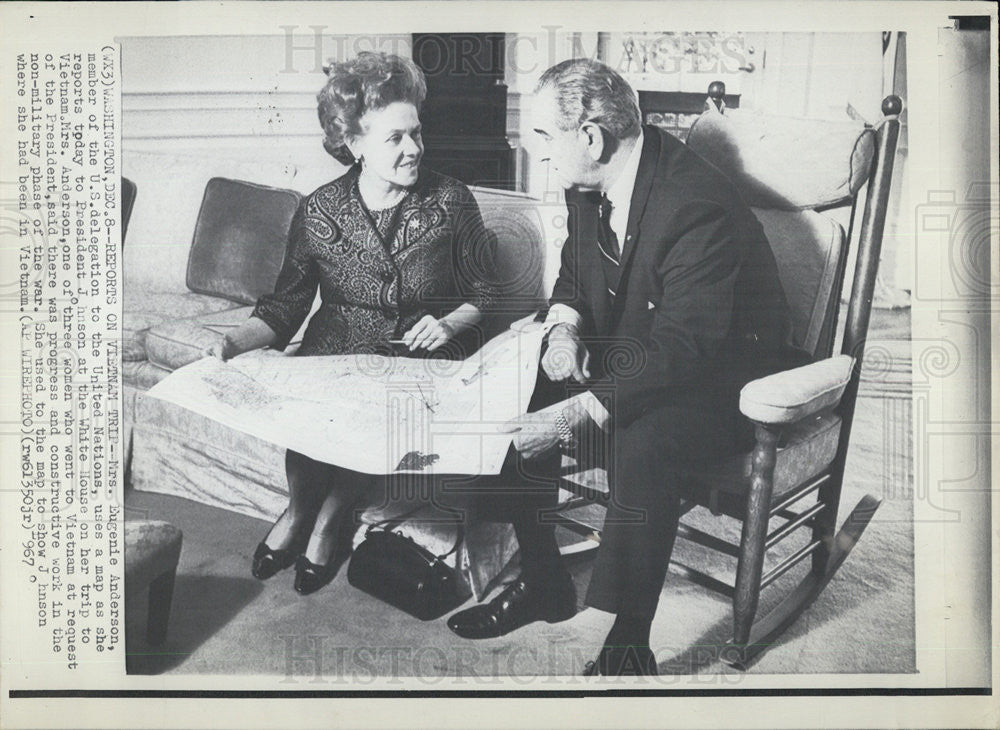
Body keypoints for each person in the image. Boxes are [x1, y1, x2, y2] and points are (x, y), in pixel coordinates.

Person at [445, 59, 799, 675]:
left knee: (644, 435)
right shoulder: (589, 181)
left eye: (545, 138)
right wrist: (563, 331)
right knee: (520, 385)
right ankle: (544, 579)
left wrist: (571, 418)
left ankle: (629, 637)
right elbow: (576, 277)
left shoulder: (696, 203)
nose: (542, 154)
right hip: (653, 348)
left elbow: (686, 347)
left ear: (590, 136)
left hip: (729, 376)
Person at [206, 51, 499, 595]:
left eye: (416, 133)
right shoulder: (319, 209)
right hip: (334, 346)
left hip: (411, 353)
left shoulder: (451, 200)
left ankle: (328, 518)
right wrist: (232, 342)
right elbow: (286, 306)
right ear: (355, 144)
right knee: (314, 405)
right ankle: (298, 512)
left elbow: (488, 292)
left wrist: (451, 323)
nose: (413, 149)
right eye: (395, 139)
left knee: (373, 410)